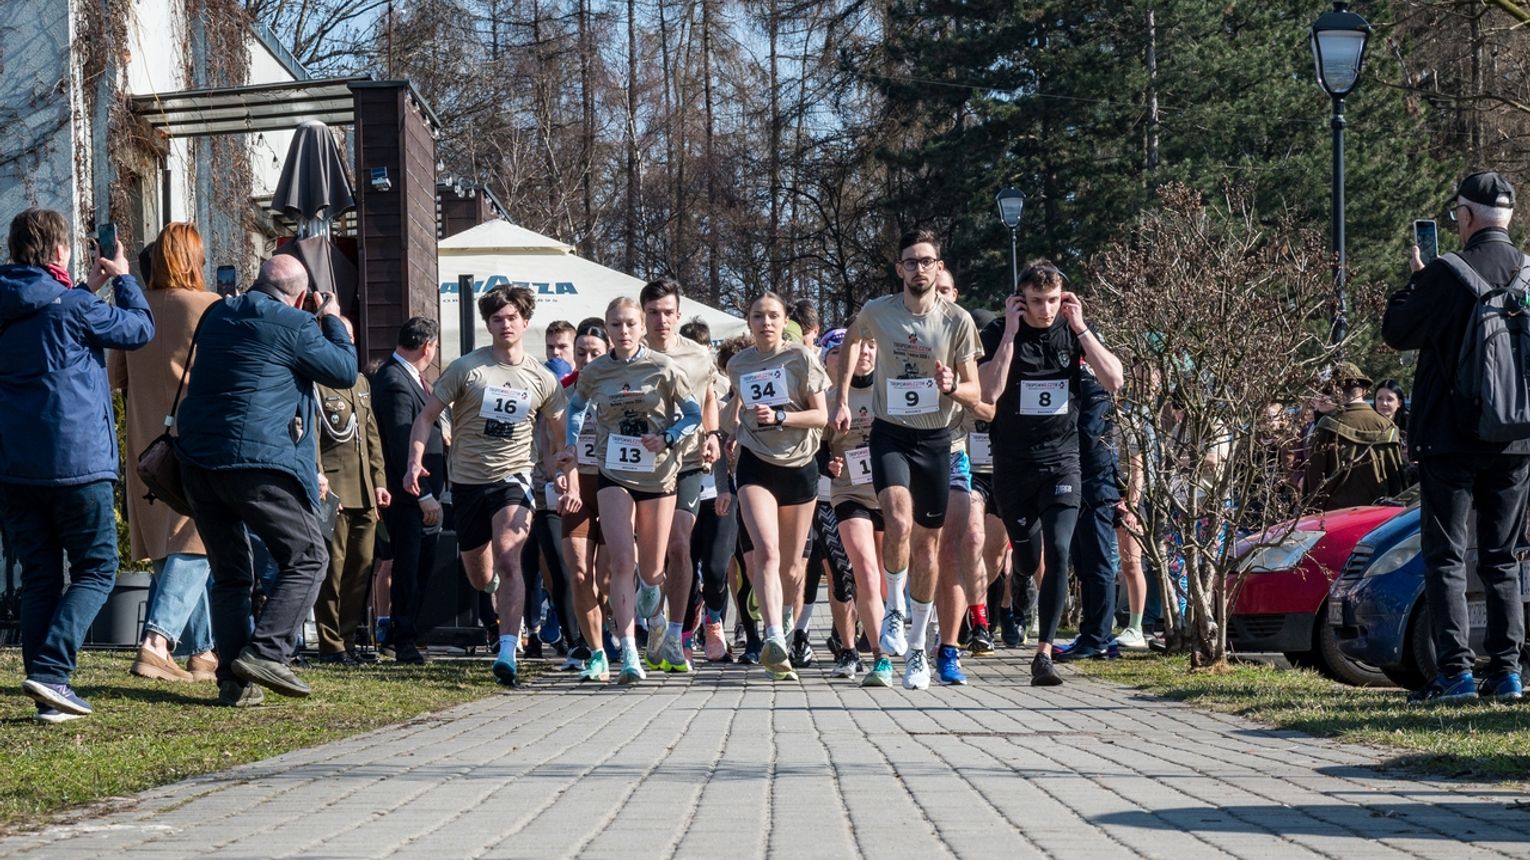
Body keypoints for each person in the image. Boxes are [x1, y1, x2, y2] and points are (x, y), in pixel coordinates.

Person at [176, 254, 355, 706]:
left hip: (198, 462)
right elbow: (343, 370)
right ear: (299, 296)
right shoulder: (295, 325)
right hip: (254, 462)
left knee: (231, 573)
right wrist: (330, 318)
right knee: (309, 555)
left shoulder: (217, 313)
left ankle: (234, 683)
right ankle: (266, 651)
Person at [1382, 170, 1530, 703]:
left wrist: (1417, 277)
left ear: (1465, 217)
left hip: (1450, 436)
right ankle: (1508, 673)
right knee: (1502, 557)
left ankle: (1456, 673)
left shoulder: (1446, 272)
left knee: (1446, 556)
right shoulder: (1529, 274)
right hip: (1517, 438)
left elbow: (1396, 330)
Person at [0, 208, 154, 721]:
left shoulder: (16, 305)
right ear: (60, 251)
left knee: (41, 575)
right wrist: (125, 279)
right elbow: (138, 330)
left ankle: (50, 693)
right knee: (96, 568)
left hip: (15, 465)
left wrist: (87, 286)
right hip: (76, 462)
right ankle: (50, 672)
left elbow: (54, 316)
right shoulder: (71, 307)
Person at [831, 228, 985, 690]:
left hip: (938, 439)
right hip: (891, 434)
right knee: (897, 521)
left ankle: (918, 648)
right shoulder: (878, 311)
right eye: (911, 262)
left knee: (927, 548)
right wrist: (840, 397)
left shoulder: (957, 321)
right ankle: (893, 609)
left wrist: (951, 386)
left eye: (927, 261)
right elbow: (852, 342)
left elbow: (975, 389)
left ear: (939, 267)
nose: (919, 269)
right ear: (899, 269)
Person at [404, 284, 568, 688]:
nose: (505, 324)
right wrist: (414, 463)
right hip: (468, 482)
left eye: (512, 317)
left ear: (525, 322)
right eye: (497, 319)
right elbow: (427, 417)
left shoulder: (543, 378)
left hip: (514, 476)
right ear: (488, 325)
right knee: (481, 576)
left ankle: (508, 650)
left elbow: (559, 436)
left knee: (511, 559)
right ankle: (494, 596)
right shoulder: (467, 368)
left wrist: (562, 469)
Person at [979, 260, 1123, 686]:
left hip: (1063, 459)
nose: (1046, 310)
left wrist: (1081, 329)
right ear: (1021, 300)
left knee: (1059, 550)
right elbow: (989, 391)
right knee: (1027, 554)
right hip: (1014, 463)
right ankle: (1020, 577)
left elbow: (1114, 379)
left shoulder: (1073, 329)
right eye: (1037, 301)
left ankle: (1043, 654)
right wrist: (1008, 332)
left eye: (1053, 300)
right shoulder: (999, 333)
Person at [559, 297, 701, 684]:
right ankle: (629, 653)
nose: (623, 332)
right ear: (607, 330)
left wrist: (667, 437)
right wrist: (572, 445)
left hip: (658, 476)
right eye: (615, 325)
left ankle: (652, 609)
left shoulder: (663, 367)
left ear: (641, 328)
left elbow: (693, 415)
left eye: (629, 325)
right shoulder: (596, 371)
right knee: (623, 561)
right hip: (613, 472)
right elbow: (575, 408)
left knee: (653, 571)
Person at [109, 223, 220, 684]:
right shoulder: (209, 307)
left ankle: (204, 652)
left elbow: (117, 377)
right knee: (199, 541)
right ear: (192, 260)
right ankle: (157, 642)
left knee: (166, 549)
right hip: (195, 443)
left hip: (145, 446)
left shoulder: (134, 309)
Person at [726, 291, 829, 679]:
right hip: (756, 462)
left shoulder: (802, 358)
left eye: (773, 316)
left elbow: (822, 416)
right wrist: (731, 426)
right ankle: (773, 639)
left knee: (790, 568)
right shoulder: (739, 363)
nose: (765, 322)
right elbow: (735, 410)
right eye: (758, 316)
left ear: (785, 321)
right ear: (748, 321)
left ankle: (784, 617)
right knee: (765, 551)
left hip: (800, 466)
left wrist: (782, 416)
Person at [640, 278, 722, 673]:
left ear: (679, 315)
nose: (661, 320)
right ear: (643, 316)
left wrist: (713, 435)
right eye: (653, 313)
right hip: (641, 467)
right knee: (649, 557)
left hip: (688, 461)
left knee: (679, 543)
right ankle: (653, 619)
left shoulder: (699, 356)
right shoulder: (629, 354)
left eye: (667, 313)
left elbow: (709, 399)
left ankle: (677, 635)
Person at [313, 317, 391, 665]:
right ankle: (330, 644)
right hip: (332, 489)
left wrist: (379, 482)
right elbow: (311, 435)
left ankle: (344, 639)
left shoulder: (360, 381)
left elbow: (370, 435)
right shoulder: (315, 382)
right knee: (333, 568)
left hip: (364, 490)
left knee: (360, 567)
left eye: (347, 333)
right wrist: (317, 475)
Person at [820, 329, 894, 685]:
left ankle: (879, 635)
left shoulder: (890, 391)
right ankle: (879, 657)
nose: (864, 352)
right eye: (857, 345)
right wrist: (827, 464)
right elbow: (816, 449)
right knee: (861, 569)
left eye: (871, 344)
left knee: (881, 580)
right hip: (848, 493)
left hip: (890, 496)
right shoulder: (832, 397)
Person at [932, 271, 995, 684]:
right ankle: (927, 625)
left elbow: (990, 410)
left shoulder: (970, 341)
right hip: (915, 453)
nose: (936, 296)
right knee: (924, 547)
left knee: (973, 543)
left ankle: (977, 619)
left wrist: (958, 389)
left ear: (955, 294)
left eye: (943, 290)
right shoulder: (904, 336)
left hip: (972, 460)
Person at [371, 317, 443, 666]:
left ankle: (410, 633)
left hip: (419, 492)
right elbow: (401, 441)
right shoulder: (395, 381)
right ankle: (404, 640)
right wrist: (423, 493)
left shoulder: (410, 379)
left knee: (419, 567)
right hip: (408, 494)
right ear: (428, 347)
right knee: (407, 568)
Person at [560, 318, 612, 677]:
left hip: (613, 487)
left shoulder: (620, 387)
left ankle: (607, 629)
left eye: (595, 352)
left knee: (606, 579)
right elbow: (551, 447)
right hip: (576, 489)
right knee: (579, 573)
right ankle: (595, 651)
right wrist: (562, 479)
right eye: (581, 353)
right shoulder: (562, 391)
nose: (588, 359)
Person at [1302, 362, 1404, 511]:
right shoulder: (1388, 427)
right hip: (1380, 519)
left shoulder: (1327, 426)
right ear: (1363, 391)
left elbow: (1313, 484)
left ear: (1335, 391)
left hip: (1336, 519)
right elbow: (1397, 484)